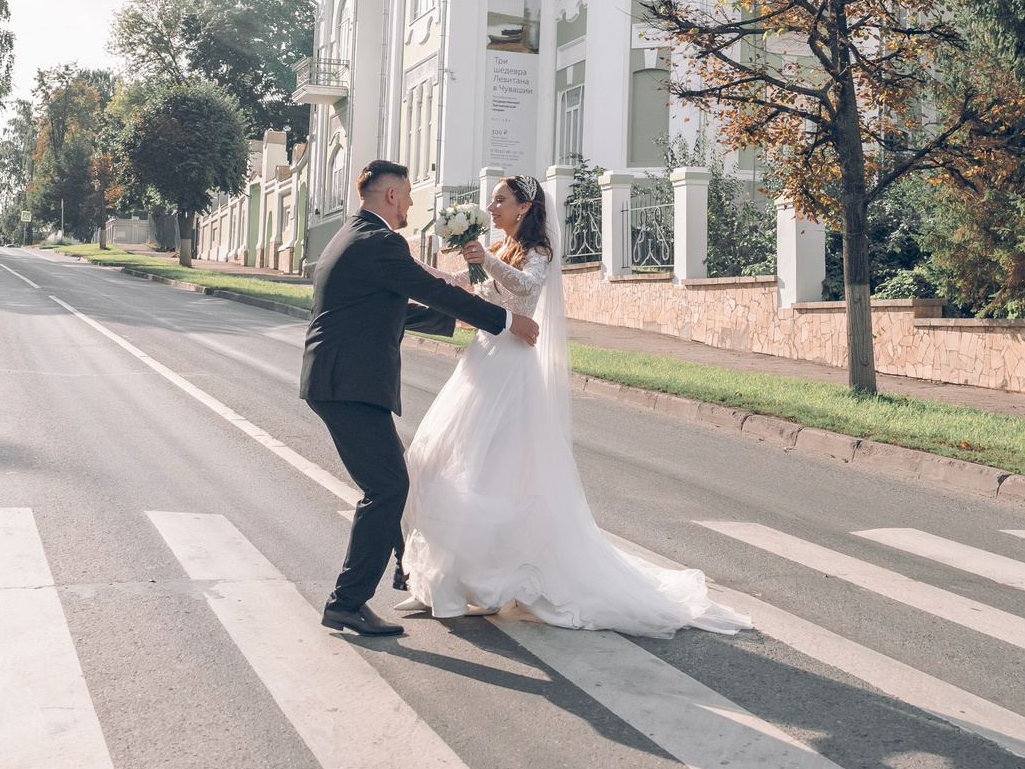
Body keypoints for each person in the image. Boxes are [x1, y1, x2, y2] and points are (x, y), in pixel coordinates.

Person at [399, 175, 749, 638]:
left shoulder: (537, 250)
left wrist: (484, 258)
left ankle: (489, 579)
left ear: (523, 207)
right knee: (447, 458)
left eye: (500, 200)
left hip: (510, 367)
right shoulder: (497, 249)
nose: (492, 206)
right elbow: (461, 285)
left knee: (493, 467)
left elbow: (526, 288)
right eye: (491, 200)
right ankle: (459, 577)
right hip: (482, 360)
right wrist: (422, 270)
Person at [301, 159, 538, 637]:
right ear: (391, 196)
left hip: (340, 381)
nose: (412, 203)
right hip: (348, 384)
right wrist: (507, 321)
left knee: (393, 480)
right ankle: (346, 602)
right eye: (408, 195)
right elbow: (433, 291)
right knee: (387, 487)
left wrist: (457, 323)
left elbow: (389, 309)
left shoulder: (354, 234)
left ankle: (402, 569)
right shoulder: (381, 241)